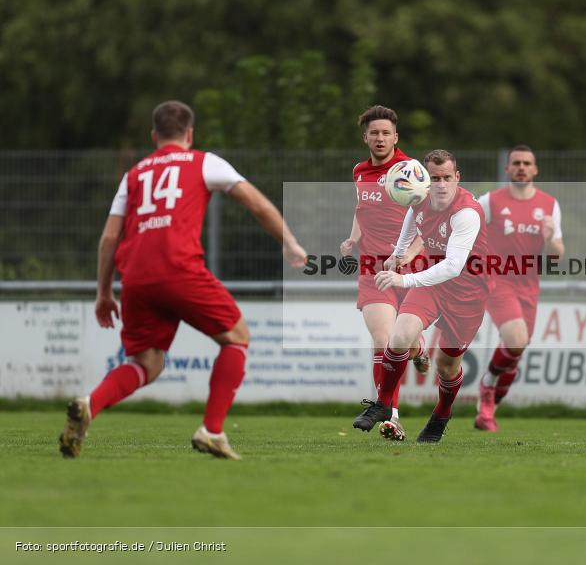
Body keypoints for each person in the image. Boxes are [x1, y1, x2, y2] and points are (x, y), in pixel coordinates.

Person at [59, 100, 308, 460]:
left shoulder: (135, 174)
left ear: (153, 135)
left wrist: (103, 291)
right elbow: (257, 204)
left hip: (136, 278)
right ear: (190, 134)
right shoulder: (204, 161)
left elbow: (110, 238)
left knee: (146, 363)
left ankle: (89, 403)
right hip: (178, 268)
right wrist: (290, 242)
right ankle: (212, 431)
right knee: (237, 337)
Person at [353, 149, 491, 443]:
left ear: (457, 178)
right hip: (433, 284)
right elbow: (410, 222)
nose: (441, 185)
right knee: (400, 335)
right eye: (435, 178)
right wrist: (397, 255)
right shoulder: (419, 199)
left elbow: (453, 267)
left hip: (467, 293)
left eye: (446, 178)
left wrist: (405, 278)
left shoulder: (466, 212)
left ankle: (442, 413)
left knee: (446, 365)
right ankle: (384, 403)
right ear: (427, 180)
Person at [342, 105, 427, 442]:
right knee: (383, 340)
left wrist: (408, 253)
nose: (379, 138)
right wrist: (354, 237)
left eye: (385, 133)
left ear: (396, 137)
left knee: (403, 343)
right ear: (366, 137)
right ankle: (392, 416)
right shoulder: (359, 171)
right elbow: (362, 209)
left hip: (410, 268)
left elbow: (429, 221)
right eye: (374, 133)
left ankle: (419, 350)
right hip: (373, 269)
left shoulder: (412, 171)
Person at [473, 145, 564, 432]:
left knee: (517, 350)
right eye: (517, 163)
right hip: (497, 281)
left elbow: (557, 255)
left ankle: (487, 412)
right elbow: (468, 230)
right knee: (515, 339)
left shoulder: (549, 205)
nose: (522, 167)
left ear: (535, 170)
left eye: (527, 163)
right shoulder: (491, 201)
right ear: (508, 169)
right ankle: (487, 384)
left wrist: (550, 239)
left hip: (529, 284)